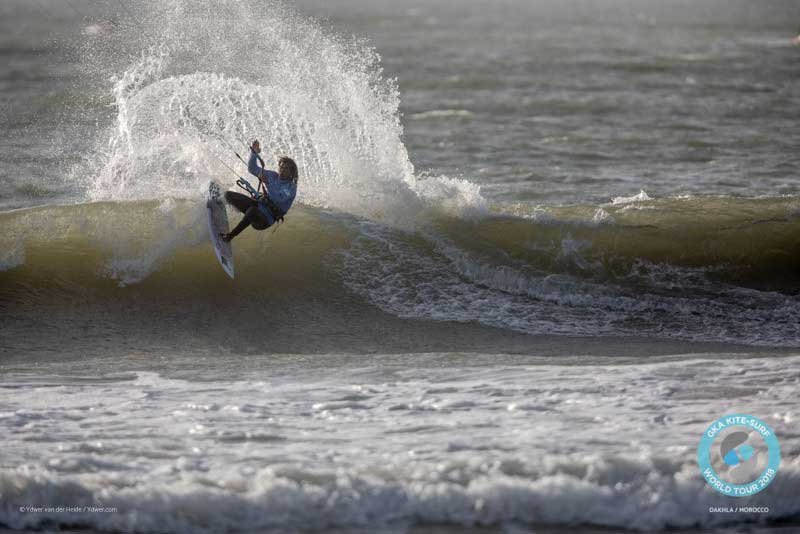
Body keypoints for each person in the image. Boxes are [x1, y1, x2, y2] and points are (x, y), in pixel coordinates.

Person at [221, 140, 298, 242]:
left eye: (286, 169)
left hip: (265, 219)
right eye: (281, 167)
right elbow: (252, 169)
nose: (282, 170)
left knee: (252, 211)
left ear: (291, 172)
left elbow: (278, 198)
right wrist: (254, 154)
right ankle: (221, 206)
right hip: (257, 205)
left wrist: (267, 183)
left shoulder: (291, 187)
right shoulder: (272, 175)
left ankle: (229, 236)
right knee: (228, 195)